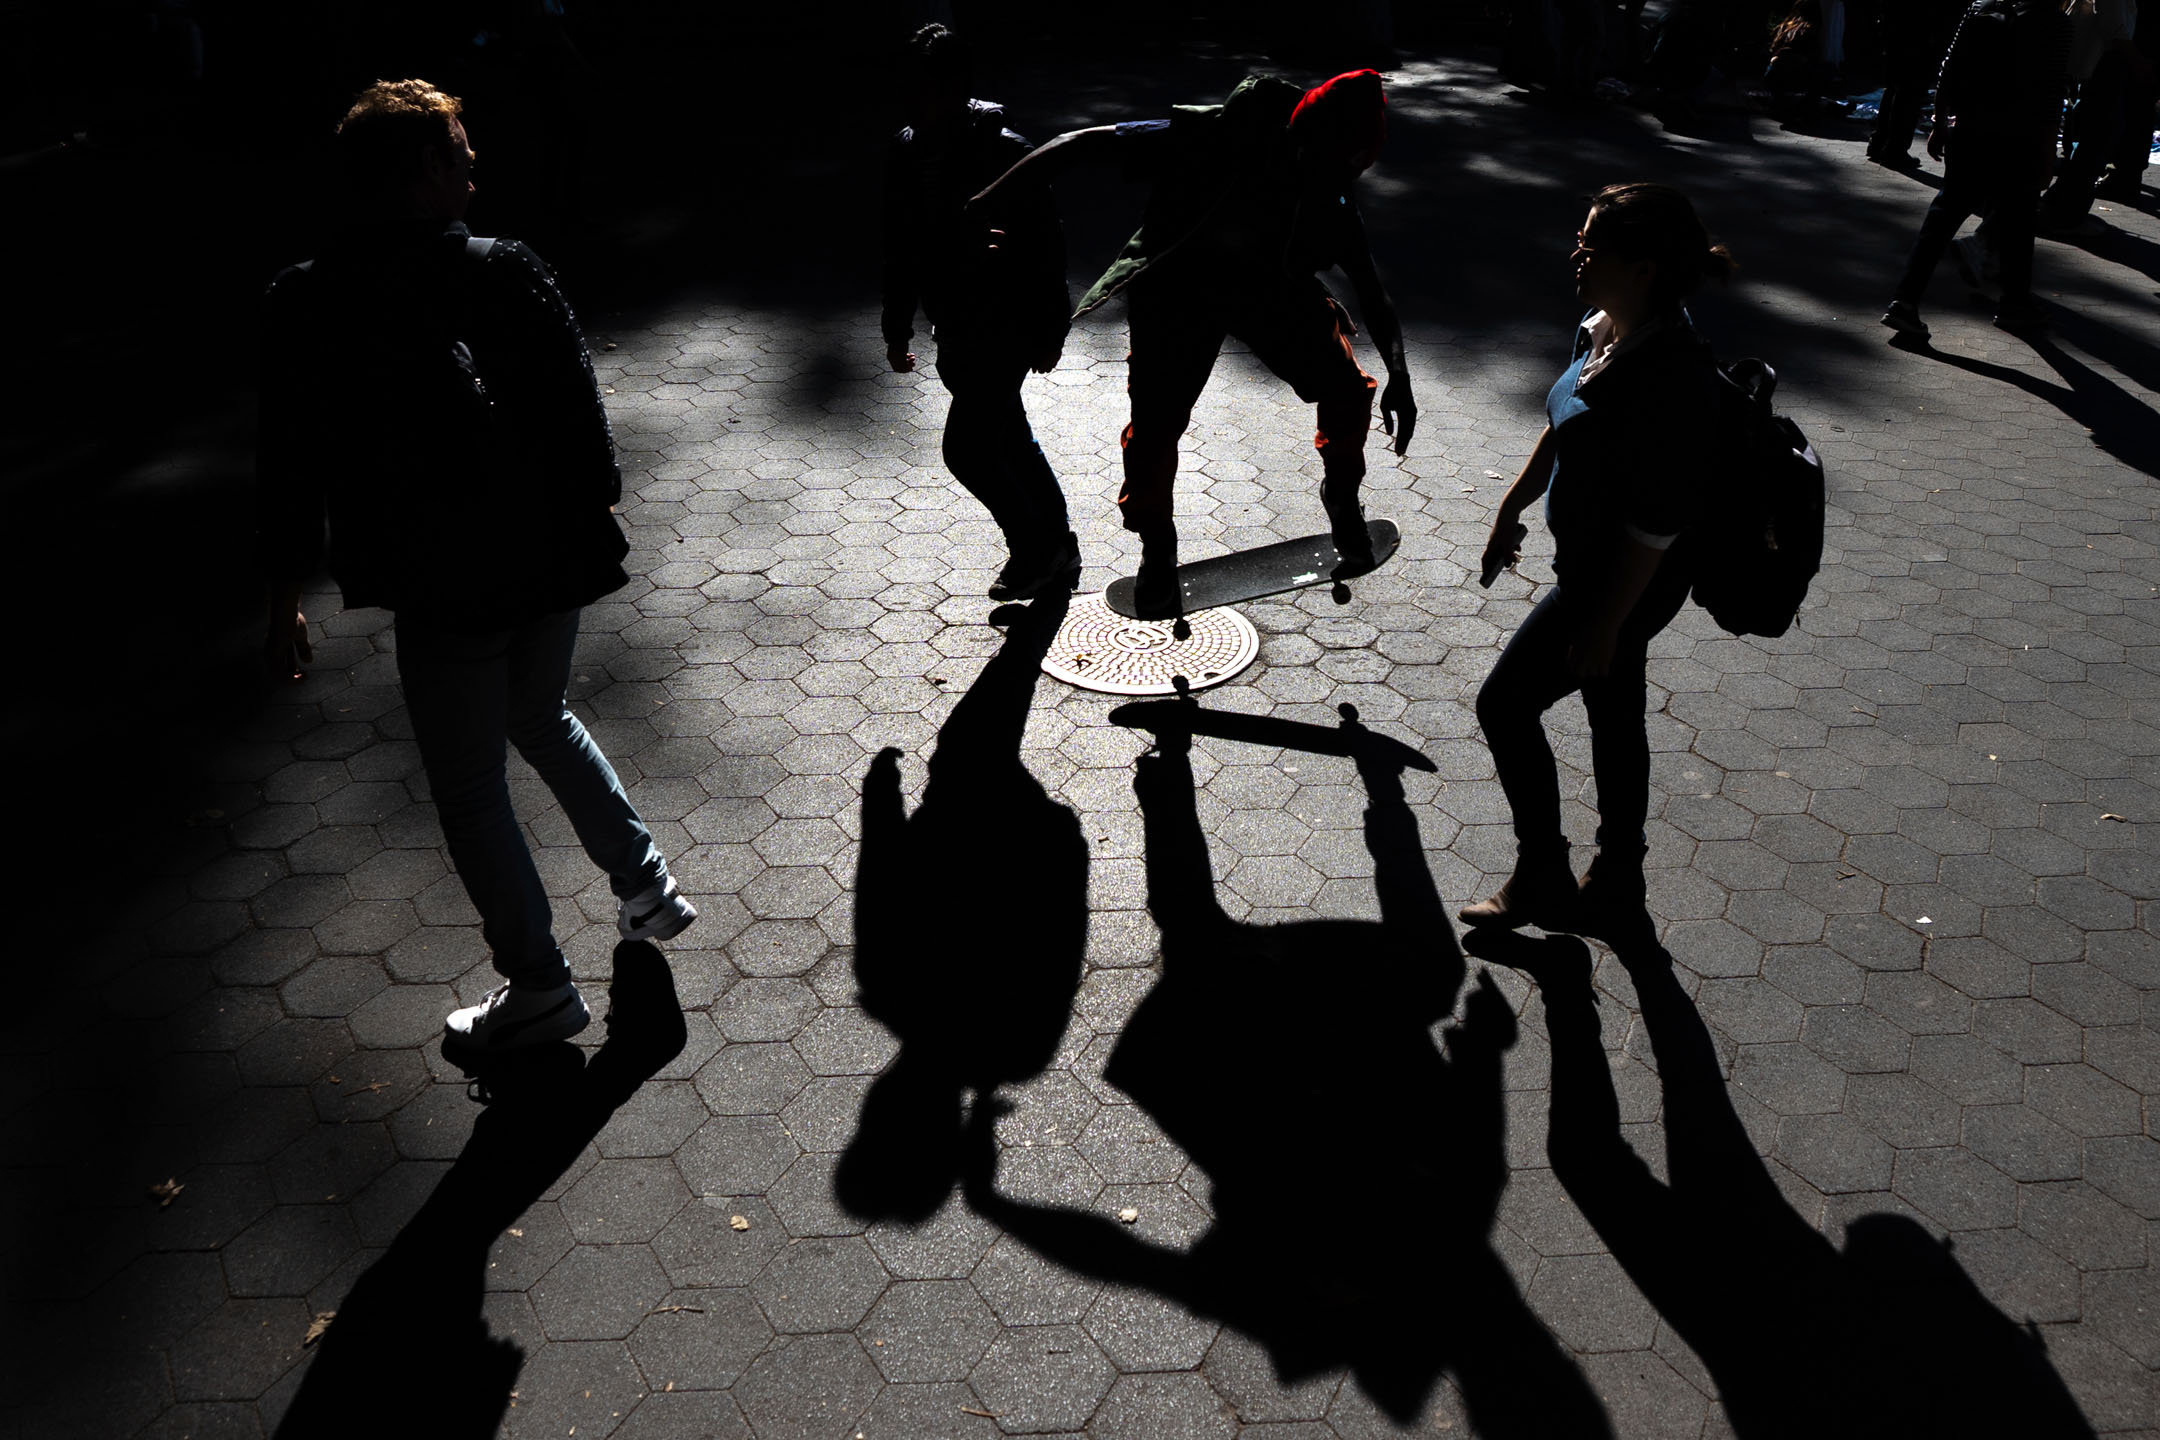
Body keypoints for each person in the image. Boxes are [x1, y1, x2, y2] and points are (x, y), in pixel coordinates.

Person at [258, 79, 695, 1057]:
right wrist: (590, 521)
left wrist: (285, 597)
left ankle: (539, 984)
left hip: (441, 576)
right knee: (541, 713)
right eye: (457, 153)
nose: (473, 165)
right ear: (415, 171)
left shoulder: (310, 298)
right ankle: (646, 885)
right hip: (548, 558)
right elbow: (584, 422)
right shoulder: (508, 270)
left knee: (469, 785)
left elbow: (287, 466)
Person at [970, 70, 1416, 612]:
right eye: (1339, 161)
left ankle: (1341, 495)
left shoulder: (1333, 187)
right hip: (1175, 293)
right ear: (1302, 136)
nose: (1346, 176)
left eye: (1359, 165)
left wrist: (1401, 375)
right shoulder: (1207, 138)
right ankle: (1157, 545)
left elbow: (1371, 287)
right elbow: (1075, 145)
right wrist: (979, 206)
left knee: (1347, 389)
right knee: (1155, 432)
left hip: (1266, 290)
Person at [1463, 183, 1732, 936]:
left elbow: (1656, 526)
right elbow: (1563, 420)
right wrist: (1512, 506)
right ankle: (1618, 879)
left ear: (1643, 267)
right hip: (1595, 571)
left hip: (1621, 582)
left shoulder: (1672, 376)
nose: (1575, 253)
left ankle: (1544, 873)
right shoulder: (1604, 327)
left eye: (1592, 244)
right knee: (1614, 710)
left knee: (1506, 704)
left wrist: (1608, 622)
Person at [881, 23, 1078, 602]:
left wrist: (1050, 332)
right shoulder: (907, 149)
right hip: (955, 325)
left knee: (966, 450)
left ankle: (1033, 553)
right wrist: (897, 327)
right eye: (913, 88)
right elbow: (900, 245)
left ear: (959, 86)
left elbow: (1049, 249)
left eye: (932, 87)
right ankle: (1059, 547)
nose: (921, 101)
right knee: (1009, 437)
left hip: (1006, 323)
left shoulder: (1006, 151)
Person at [1881, 0, 2074, 340]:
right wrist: (2047, 150)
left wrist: (1941, 123)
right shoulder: (2053, 21)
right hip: (2021, 137)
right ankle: (2014, 304)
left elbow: (1949, 67)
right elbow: (2051, 91)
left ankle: (1905, 300)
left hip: (1970, 129)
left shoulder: (1981, 6)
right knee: (2019, 220)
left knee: (1942, 217)